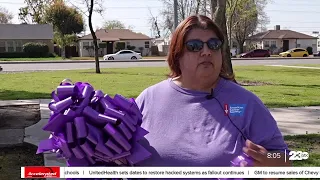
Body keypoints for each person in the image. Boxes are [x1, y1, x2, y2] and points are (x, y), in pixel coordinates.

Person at [135, 15, 291, 170]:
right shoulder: (148, 98)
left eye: (214, 44)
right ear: (177, 54)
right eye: (195, 46)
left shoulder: (246, 102)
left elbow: (283, 158)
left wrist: (268, 161)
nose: (206, 52)